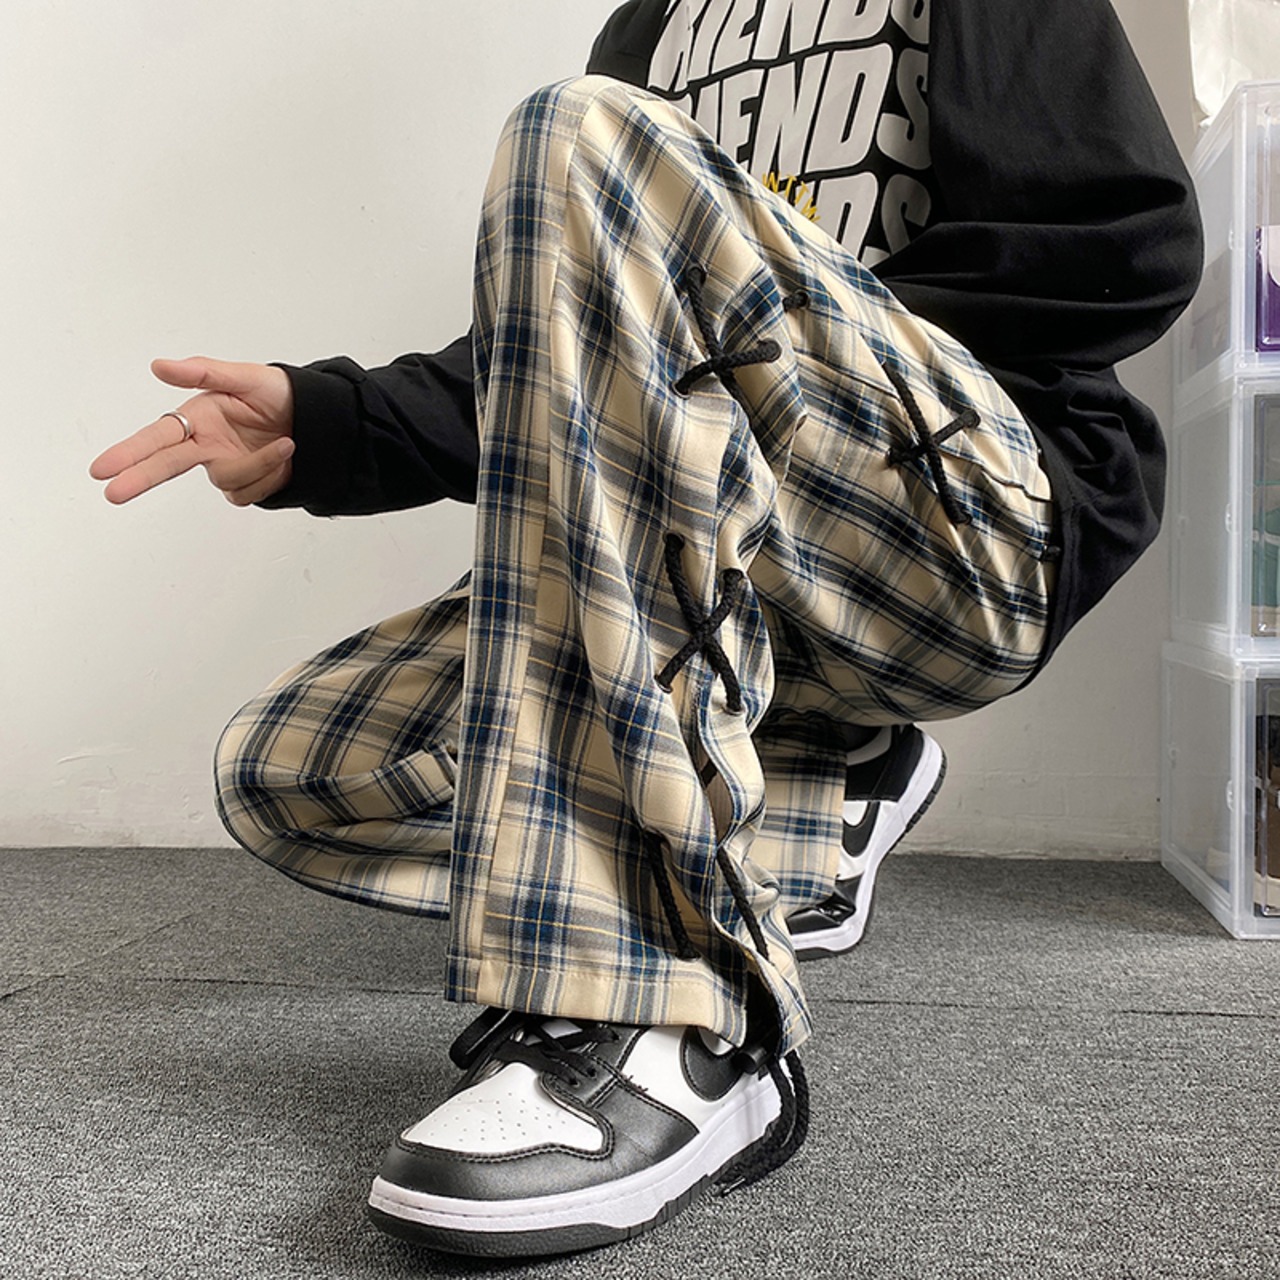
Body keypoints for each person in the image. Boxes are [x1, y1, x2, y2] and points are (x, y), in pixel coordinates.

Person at [90, 0, 1202, 1259]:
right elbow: (561, 359)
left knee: (579, 132)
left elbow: (1123, 239)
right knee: (301, 764)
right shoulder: (655, 27)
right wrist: (327, 420)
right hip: (733, 577)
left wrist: (762, 338)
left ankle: (678, 1019)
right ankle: (819, 764)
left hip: (967, 524)